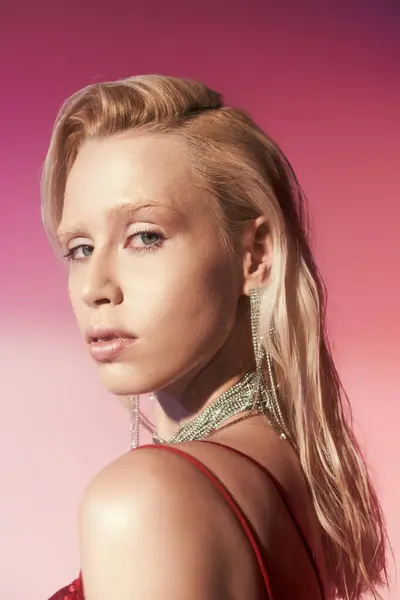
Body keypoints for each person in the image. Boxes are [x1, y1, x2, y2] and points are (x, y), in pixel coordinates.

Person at [41, 75, 389, 600]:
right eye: (81, 248)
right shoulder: (283, 471)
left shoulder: (144, 500)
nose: (96, 288)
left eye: (145, 236)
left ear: (255, 255)